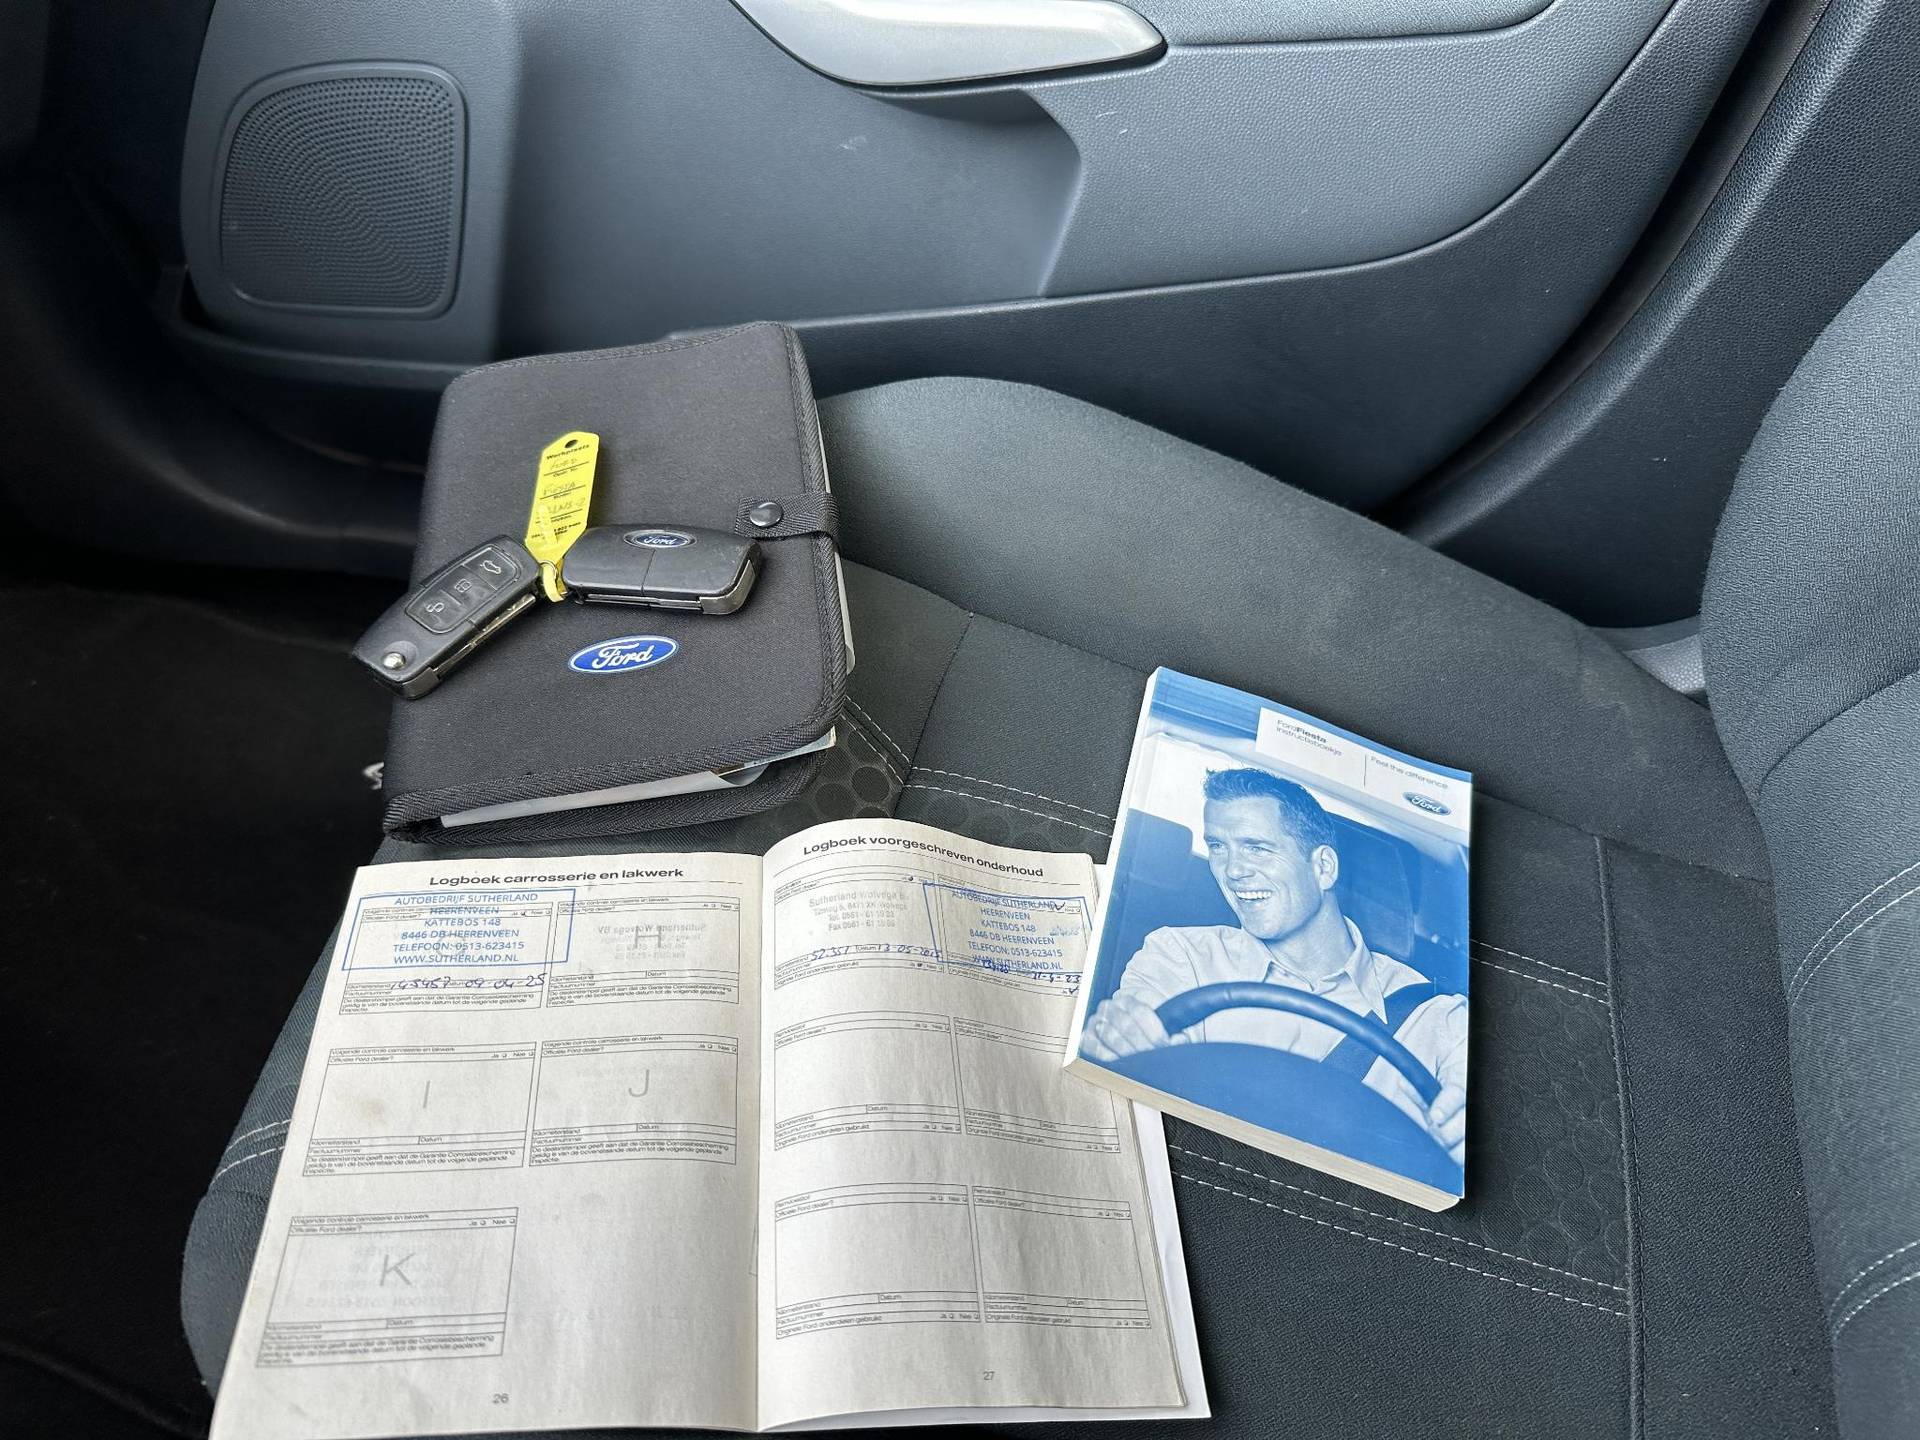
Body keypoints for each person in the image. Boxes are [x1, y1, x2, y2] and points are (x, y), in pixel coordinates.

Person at [1082, 767, 1468, 1164]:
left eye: (1257, 848)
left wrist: (1461, 1126)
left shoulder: (1438, 1015)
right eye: (1218, 847)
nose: (1233, 870)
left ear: (1323, 868)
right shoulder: (1180, 955)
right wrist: (1121, 1040)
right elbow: (1138, 1037)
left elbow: (1463, 1090)